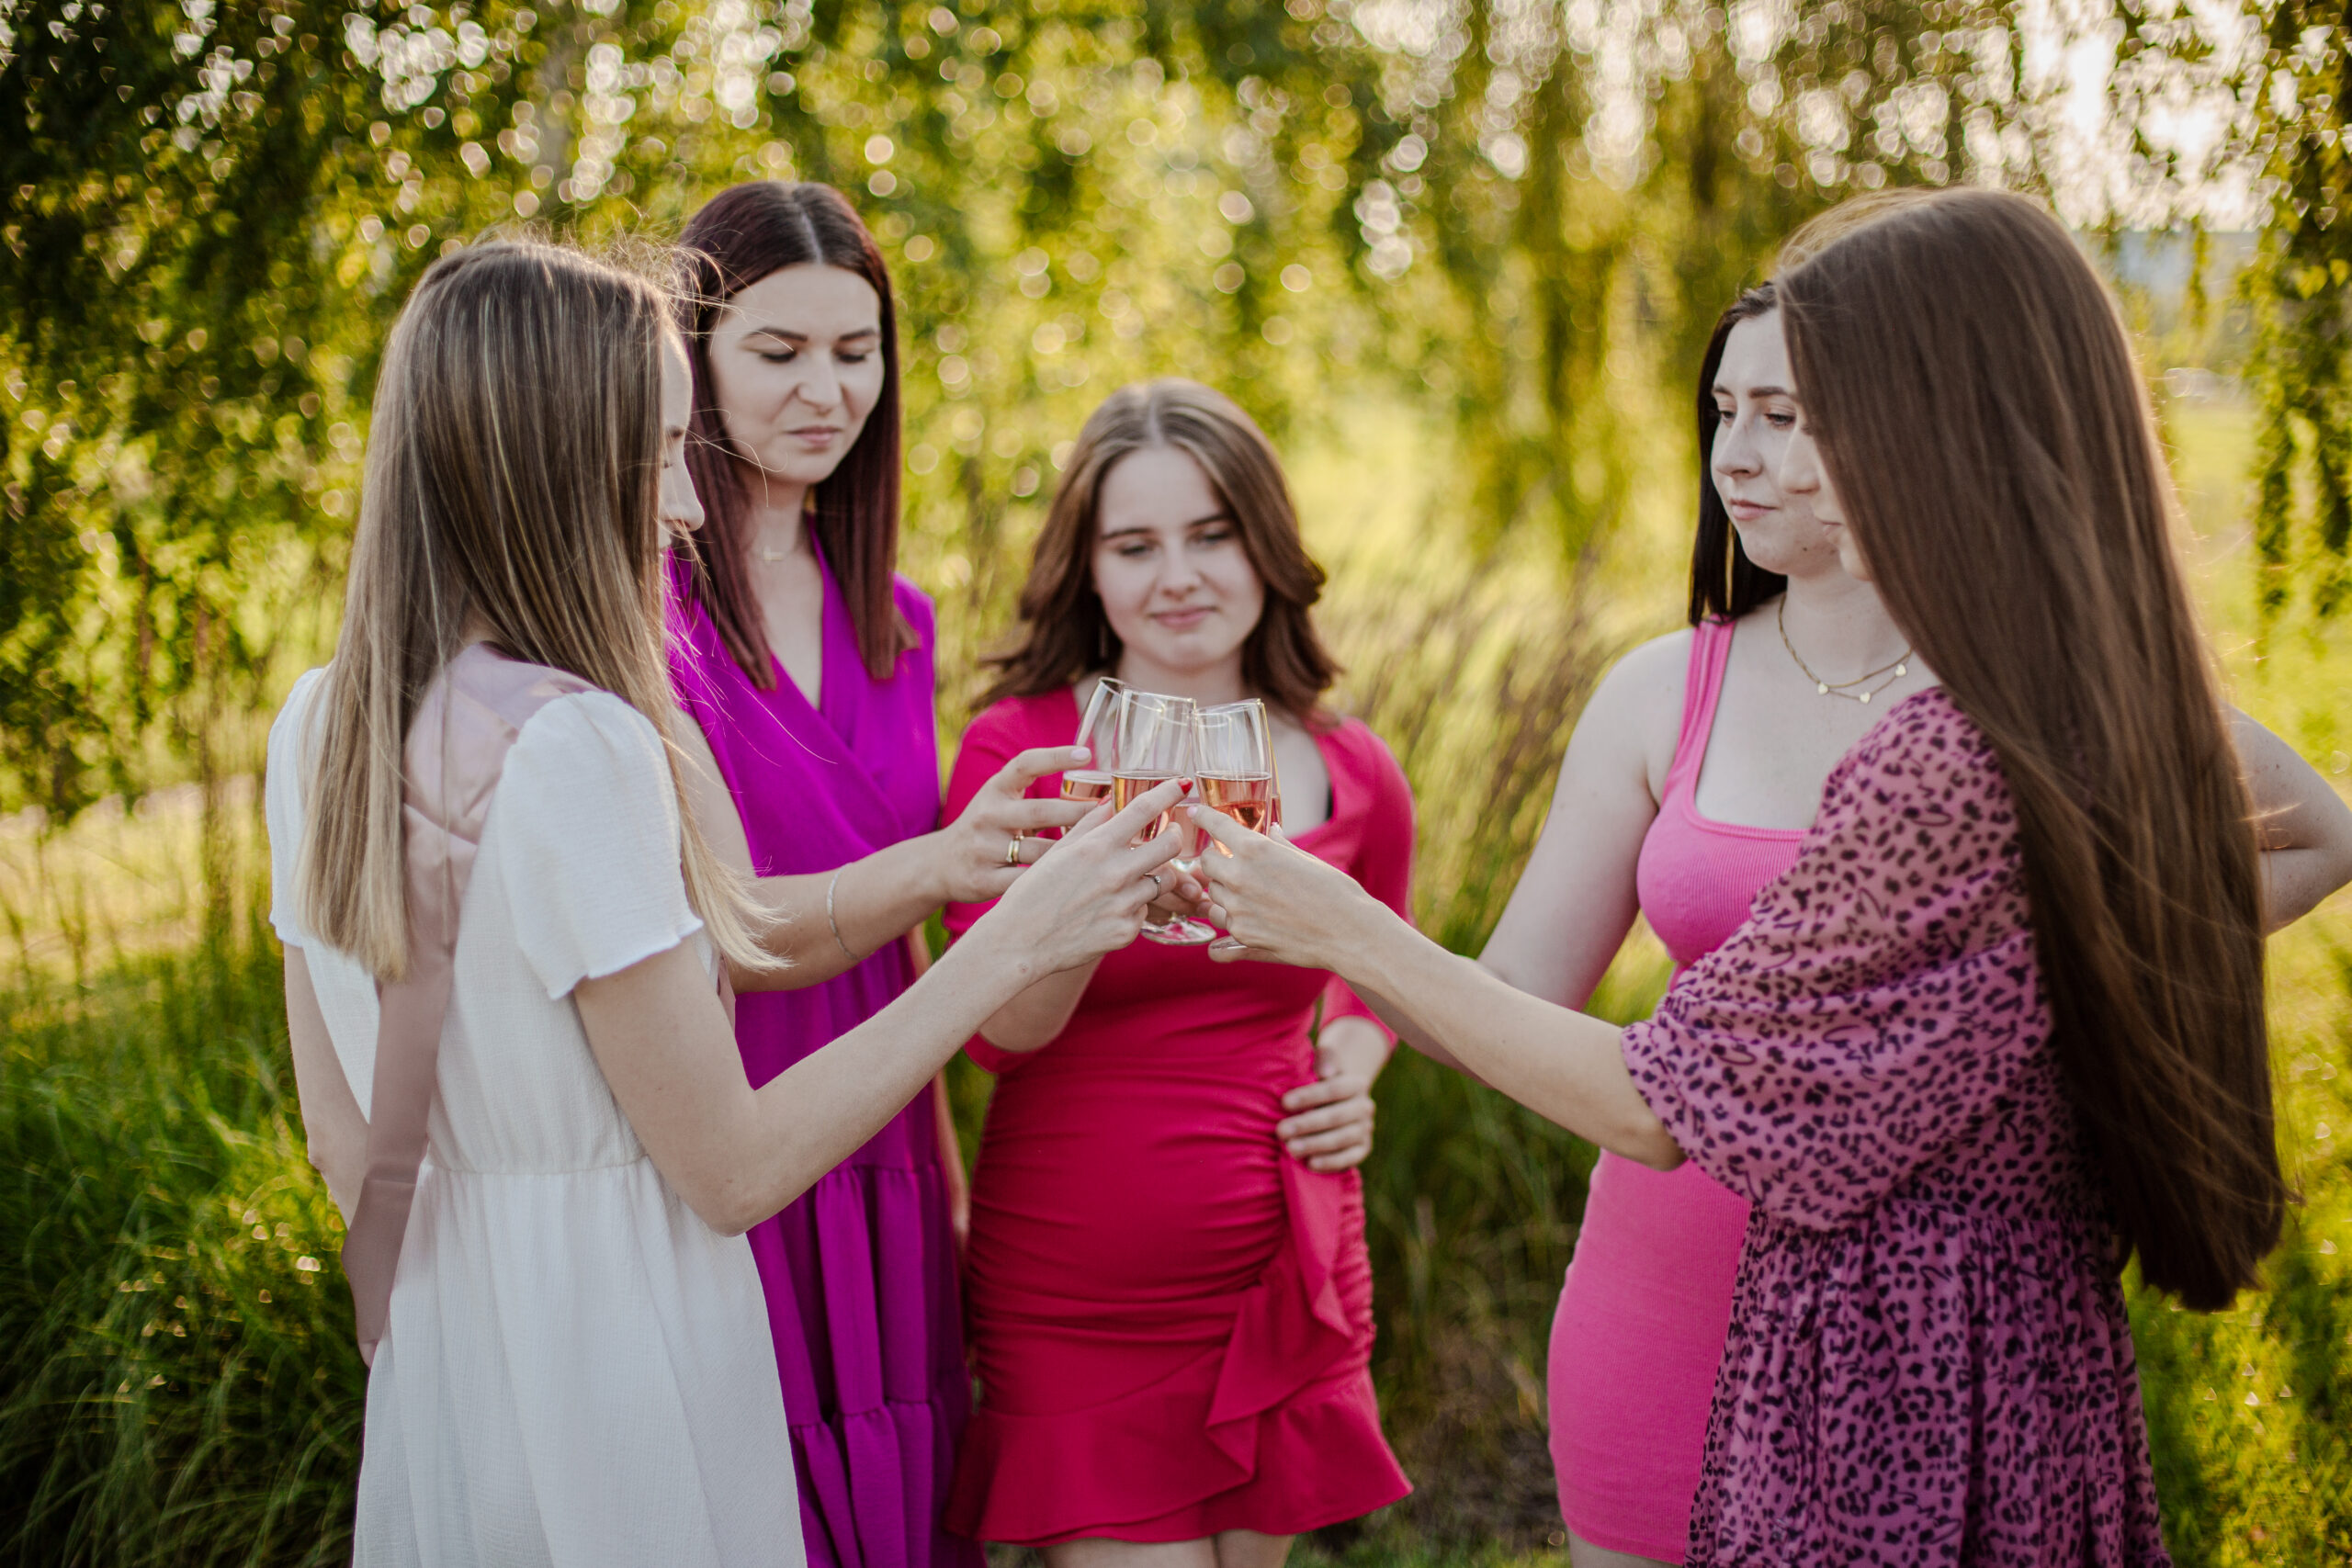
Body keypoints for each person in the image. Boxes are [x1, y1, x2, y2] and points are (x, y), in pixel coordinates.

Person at [1188, 188, 2352, 1566]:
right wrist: (1329, 960)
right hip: (1667, 1294)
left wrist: (2057, 959)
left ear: (1926, 424)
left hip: (1906, 1337)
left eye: (1795, 414)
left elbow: (2313, 833)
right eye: (1724, 412)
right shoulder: (1673, 690)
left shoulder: (1993, 731)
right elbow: (1514, 996)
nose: (1741, 455)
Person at [268, 239, 1186, 1566]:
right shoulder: (581, 748)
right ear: (547, 461)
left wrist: (440, 1333)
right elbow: (733, 1168)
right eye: (656, 454)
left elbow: (340, 1133)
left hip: (454, 1352)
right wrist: (1012, 949)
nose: (687, 503)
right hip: (626, 1361)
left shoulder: (318, 723)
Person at [663, 181, 1081, 1568]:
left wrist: (943, 1178)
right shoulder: (641, 615)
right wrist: (946, 862)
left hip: (888, 1130)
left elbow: (911, 954)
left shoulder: (896, 620)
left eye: (856, 351)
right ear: (690, 357)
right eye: (777, 351)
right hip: (734, 1115)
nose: (826, 390)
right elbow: (724, 924)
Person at [938, 380, 1413, 1562]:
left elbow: (1382, 974)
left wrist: (1350, 1071)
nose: (1179, 577)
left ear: (1266, 544)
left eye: (1211, 534)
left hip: (1285, 1266)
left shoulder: (1352, 766)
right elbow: (995, 1035)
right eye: (1134, 545)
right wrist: (1092, 908)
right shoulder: (1022, 750)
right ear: (1087, 570)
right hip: (1079, 1287)